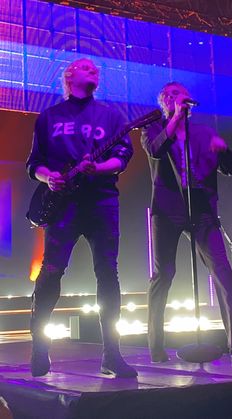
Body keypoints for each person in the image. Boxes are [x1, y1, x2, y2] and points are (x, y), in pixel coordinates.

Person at [26, 57, 137, 378]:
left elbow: (122, 157)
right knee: (51, 270)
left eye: (96, 70)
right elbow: (34, 164)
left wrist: (97, 168)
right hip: (62, 205)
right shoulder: (49, 117)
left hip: (101, 202)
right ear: (69, 76)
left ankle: (112, 354)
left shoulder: (112, 116)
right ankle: (39, 347)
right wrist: (49, 178)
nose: (94, 70)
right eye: (86, 67)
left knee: (108, 272)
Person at [141, 81, 232, 363]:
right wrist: (175, 121)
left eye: (179, 93)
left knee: (224, 274)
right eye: (168, 95)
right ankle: (156, 348)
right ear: (164, 103)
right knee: (164, 274)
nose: (174, 97)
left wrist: (224, 151)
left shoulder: (204, 133)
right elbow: (156, 150)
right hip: (168, 210)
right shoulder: (153, 129)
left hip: (202, 209)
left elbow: (230, 168)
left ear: (189, 100)